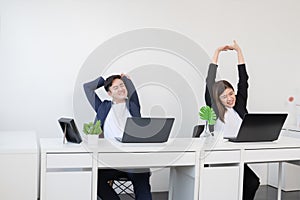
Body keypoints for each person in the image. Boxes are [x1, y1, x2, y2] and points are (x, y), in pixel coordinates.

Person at [205, 40, 260, 200]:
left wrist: (239, 52)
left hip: (238, 155)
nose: (230, 99)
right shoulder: (214, 108)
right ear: (217, 98)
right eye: (224, 96)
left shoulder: (239, 106)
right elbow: (209, 80)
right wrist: (217, 52)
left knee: (252, 182)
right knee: (228, 185)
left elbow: (244, 80)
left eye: (231, 94)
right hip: (217, 157)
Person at [83, 74, 152, 200]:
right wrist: (103, 81)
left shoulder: (133, 106)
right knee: (94, 177)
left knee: (142, 178)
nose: (121, 89)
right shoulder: (103, 107)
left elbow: (132, 91)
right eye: (116, 88)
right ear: (109, 93)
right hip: (111, 161)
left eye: (122, 86)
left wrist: (126, 80)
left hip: (133, 160)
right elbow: (87, 88)